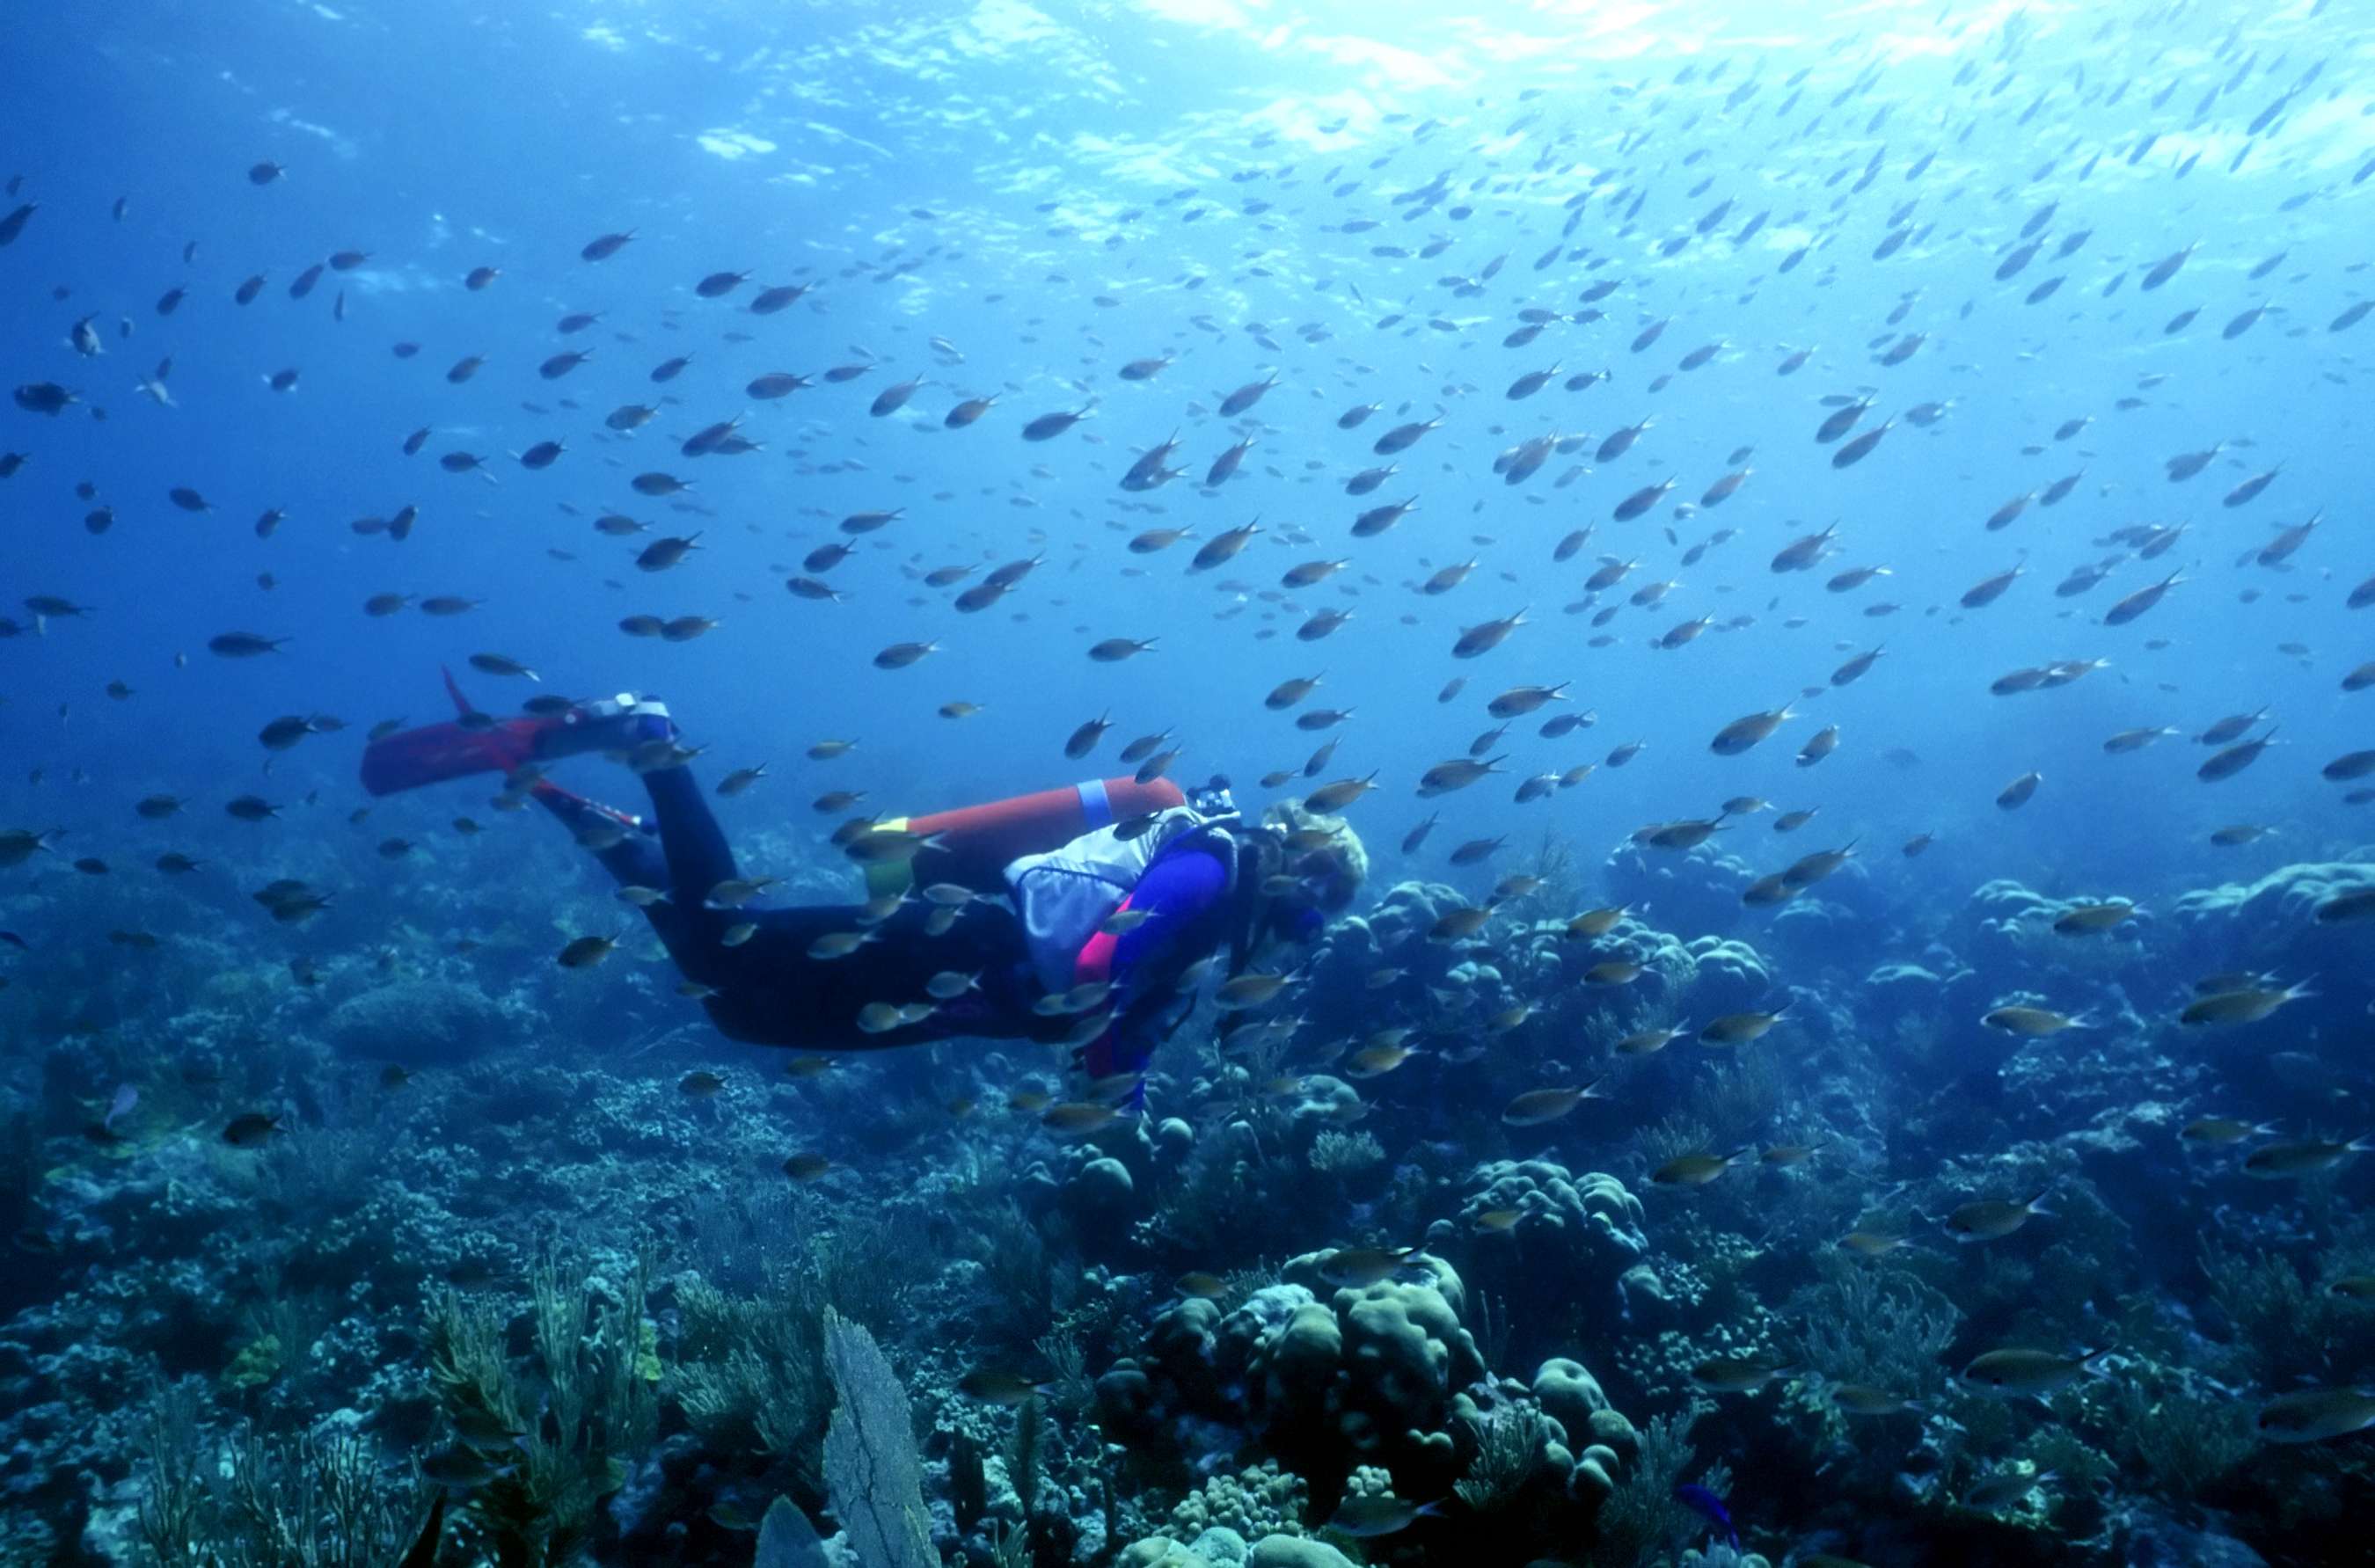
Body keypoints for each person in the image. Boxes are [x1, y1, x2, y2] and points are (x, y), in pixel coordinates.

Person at [361, 676, 1367, 1083]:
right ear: (1292, 856)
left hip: (955, 1000)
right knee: (727, 943)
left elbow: (1128, 1022)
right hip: (955, 947)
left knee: (741, 1012)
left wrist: (1122, 1094)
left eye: (1329, 911)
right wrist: (1096, 1037)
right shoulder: (1208, 874)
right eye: (1320, 891)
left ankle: (614, 835)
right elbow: (1109, 952)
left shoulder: (1218, 944)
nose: (1312, 918)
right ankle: (654, 742)